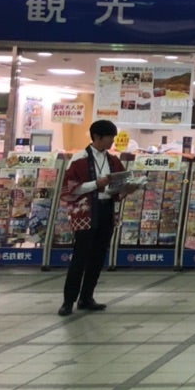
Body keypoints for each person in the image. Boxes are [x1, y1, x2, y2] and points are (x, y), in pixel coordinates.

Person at [58, 119, 141, 316]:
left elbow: (119, 184)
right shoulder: (79, 158)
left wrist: (127, 187)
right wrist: (97, 183)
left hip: (106, 209)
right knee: (80, 256)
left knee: (97, 256)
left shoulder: (112, 160)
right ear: (97, 137)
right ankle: (68, 300)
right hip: (86, 212)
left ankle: (87, 297)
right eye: (109, 138)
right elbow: (72, 187)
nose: (112, 141)